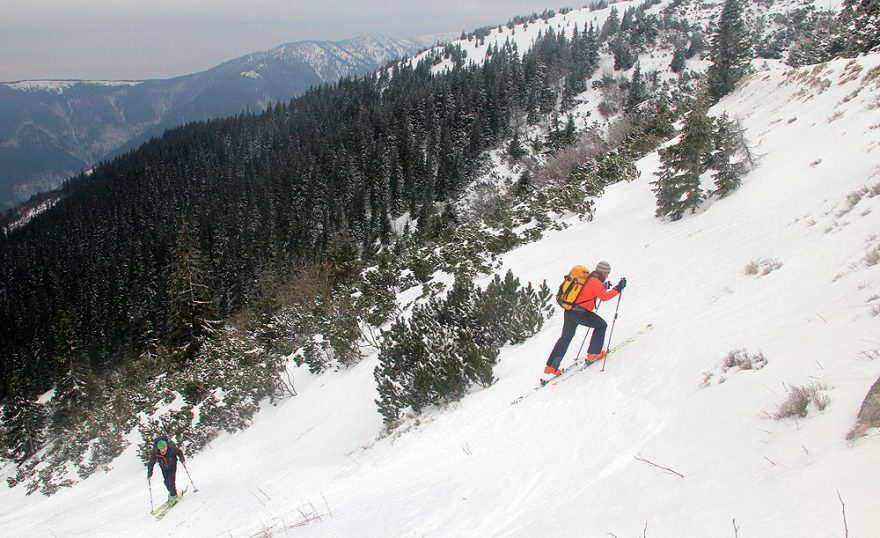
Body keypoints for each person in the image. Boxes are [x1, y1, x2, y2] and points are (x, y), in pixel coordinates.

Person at [544, 261, 626, 376]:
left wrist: (604, 286)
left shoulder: (588, 278)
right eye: (607, 273)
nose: (607, 276)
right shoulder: (595, 283)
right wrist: (618, 288)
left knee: (565, 338)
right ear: (603, 273)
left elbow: (590, 290)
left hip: (569, 312)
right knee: (601, 325)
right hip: (580, 313)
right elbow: (604, 297)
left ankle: (551, 367)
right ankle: (593, 354)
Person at [147, 434, 186, 504]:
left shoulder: (171, 448)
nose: (164, 449)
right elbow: (151, 462)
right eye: (162, 448)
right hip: (163, 467)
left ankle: (174, 495)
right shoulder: (155, 452)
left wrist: (182, 459)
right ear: (159, 448)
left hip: (172, 465)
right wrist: (150, 472)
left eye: (165, 448)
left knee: (171, 481)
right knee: (166, 482)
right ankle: (172, 493)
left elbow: (179, 452)